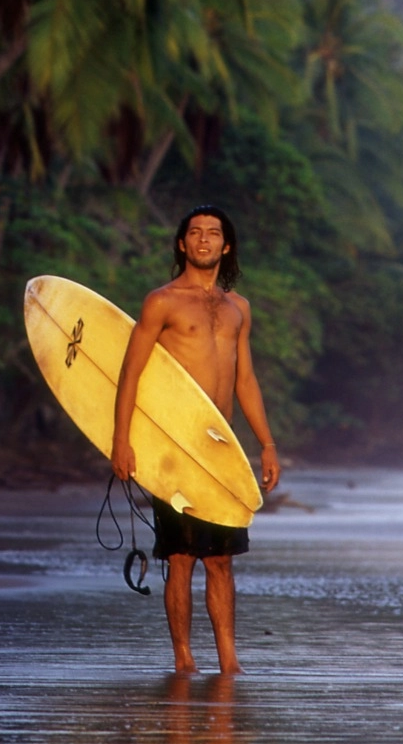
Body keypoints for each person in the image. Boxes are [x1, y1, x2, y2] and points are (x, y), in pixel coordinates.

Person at [111, 205, 281, 674]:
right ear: (182, 244)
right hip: (174, 448)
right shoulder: (161, 302)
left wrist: (266, 444)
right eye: (194, 233)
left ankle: (229, 661)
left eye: (213, 233)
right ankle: (184, 659)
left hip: (219, 449)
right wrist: (121, 441)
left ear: (226, 246)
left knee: (222, 560)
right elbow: (130, 372)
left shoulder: (238, 308)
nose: (203, 240)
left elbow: (245, 380)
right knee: (182, 556)